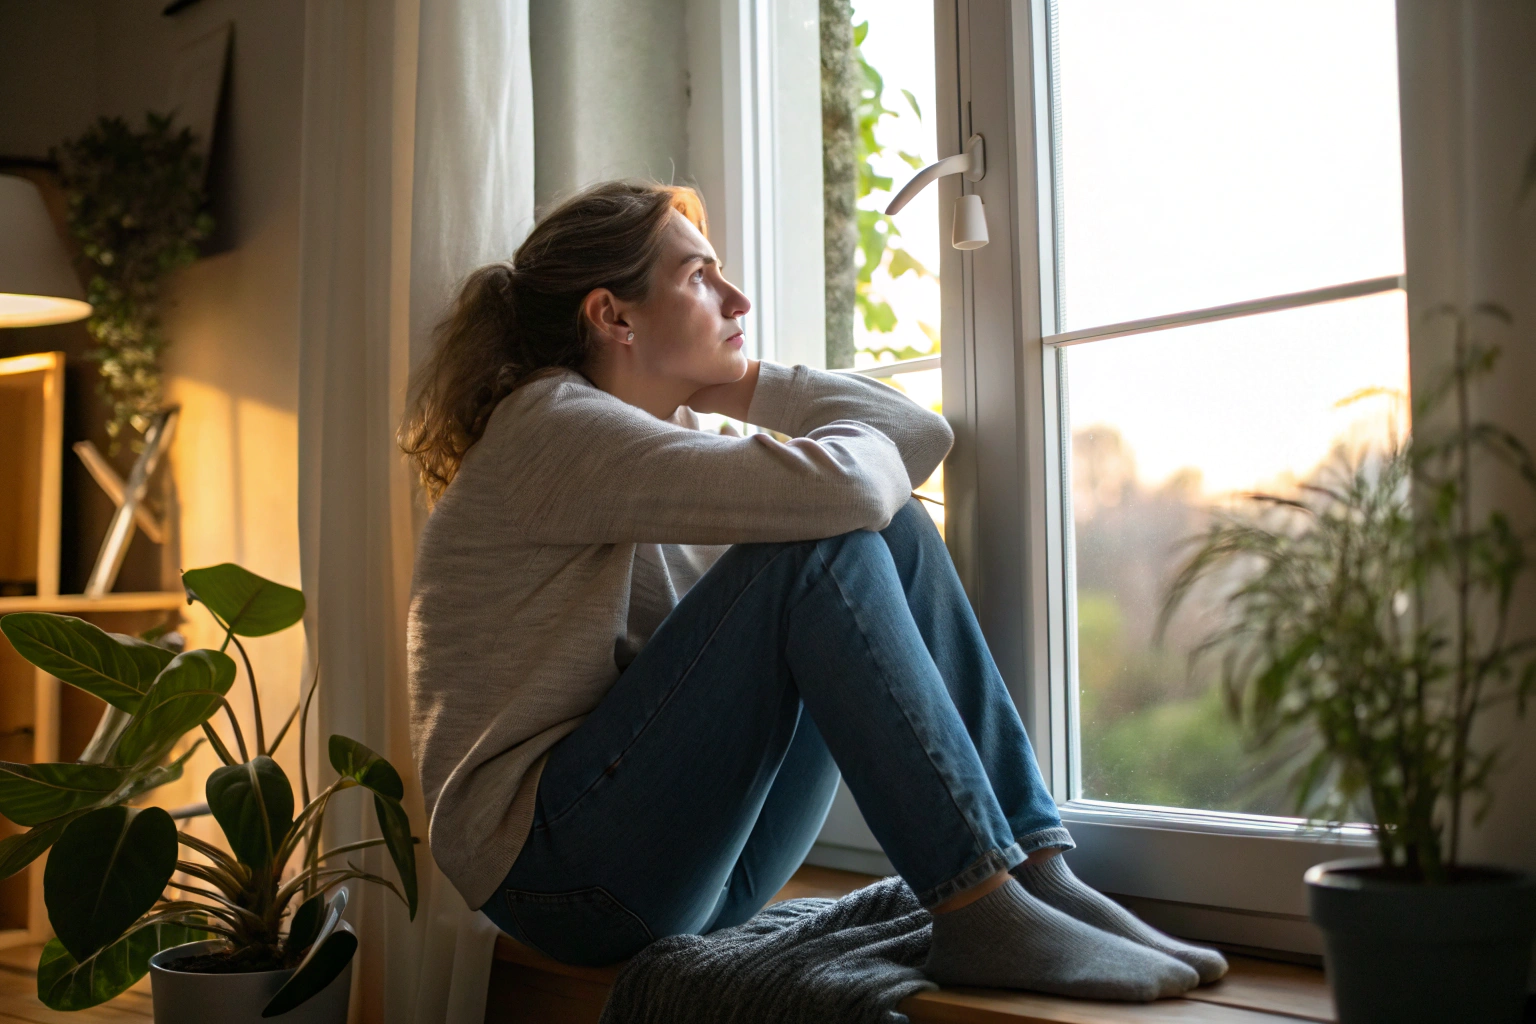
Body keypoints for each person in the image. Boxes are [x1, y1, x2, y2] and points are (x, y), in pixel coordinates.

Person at [400, 181, 1226, 1001]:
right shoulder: (551, 426)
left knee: (890, 529)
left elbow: (917, 439)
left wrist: (751, 380)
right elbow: (858, 488)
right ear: (614, 317)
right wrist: (800, 437)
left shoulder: (674, 439)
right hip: (559, 877)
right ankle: (981, 912)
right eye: (699, 278)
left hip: (690, 871)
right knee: (822, 546)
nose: (737, 296)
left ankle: (1036, 877)